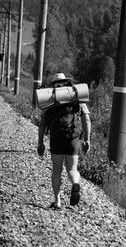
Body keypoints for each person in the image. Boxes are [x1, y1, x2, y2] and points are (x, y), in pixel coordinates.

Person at [37, 73, 91, 209]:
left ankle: (57, 202)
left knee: (56, 170)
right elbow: (87, 119)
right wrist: (87, 139)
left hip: (56, 138)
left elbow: (42, 123)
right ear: (67, 82)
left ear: (54, 83)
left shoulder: (50, 96)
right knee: (72, 169)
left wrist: (40, 143)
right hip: (73, 138)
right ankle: (75, 183)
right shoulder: (75, 95)